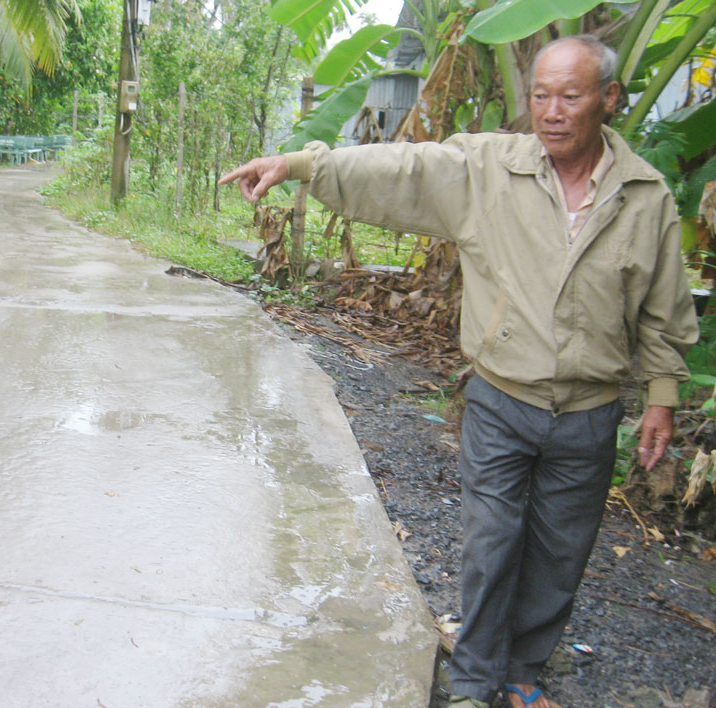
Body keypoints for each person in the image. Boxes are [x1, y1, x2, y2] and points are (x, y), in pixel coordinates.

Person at [219, 36, 698, 708]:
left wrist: (662, 395)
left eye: (571, 96)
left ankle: (524, 674)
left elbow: (660, 308)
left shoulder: (645, 197)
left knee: (561, 554)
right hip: (503, 400)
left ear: (609, 100)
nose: (552, 111)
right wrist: (300, 164)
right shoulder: (489, 168)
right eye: (540, 96)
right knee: (490, 546)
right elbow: (401, 169)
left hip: (589, 413)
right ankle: (474, 683)